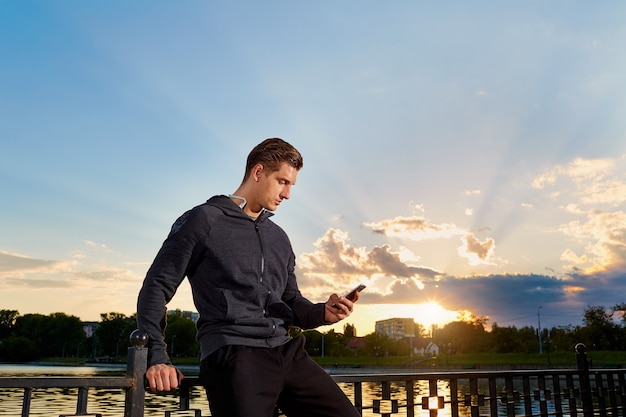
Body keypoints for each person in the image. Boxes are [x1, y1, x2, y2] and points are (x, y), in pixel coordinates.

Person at [137, 138, 361, 417]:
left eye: (291, 185)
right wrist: (157, 357)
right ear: (258, 173)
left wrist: (323, 313)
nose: (288, 194)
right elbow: (156, 287)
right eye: (282, 181)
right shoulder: (203, 220)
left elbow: (290, 301)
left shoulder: (278, 237)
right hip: (234, 352)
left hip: (287, 351)